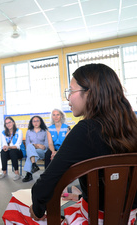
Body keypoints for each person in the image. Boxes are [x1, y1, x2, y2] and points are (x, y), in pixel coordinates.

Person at [30, 64, 137, 224]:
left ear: (90, 93)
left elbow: (45, 185)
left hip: (95, 217)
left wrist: (37, 209)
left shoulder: (85, 130)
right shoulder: (132, 126)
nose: (68, 98)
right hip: (130, 216)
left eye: (71, 91)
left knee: (18, 211)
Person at [22, 116, 51, 182]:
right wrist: (38, 145)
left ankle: (29, 174)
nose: (36, 122)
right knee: (29, 147)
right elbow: (27, 144)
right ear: (31, 123)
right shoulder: (29, 132)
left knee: (30, 150)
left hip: (42, 152)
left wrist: (35, 146)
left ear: (40, 122)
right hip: (31, 150)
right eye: (34, 121)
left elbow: (45, 146)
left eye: (37, 120)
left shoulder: (45, 131)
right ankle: (33, 164)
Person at [0, 116, 23, 181]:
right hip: (9, 151)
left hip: (18, 151)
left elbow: (17, 145)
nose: (8, 124)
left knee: (13, 151)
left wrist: (8, 147)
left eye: (10, 122)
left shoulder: (19, 131)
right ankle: (4, 172)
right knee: (3, 152)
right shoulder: (3, 133)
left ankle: (17, 173)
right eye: (6, 123)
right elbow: (4, 143)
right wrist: (5, 147)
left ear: (13, 123)